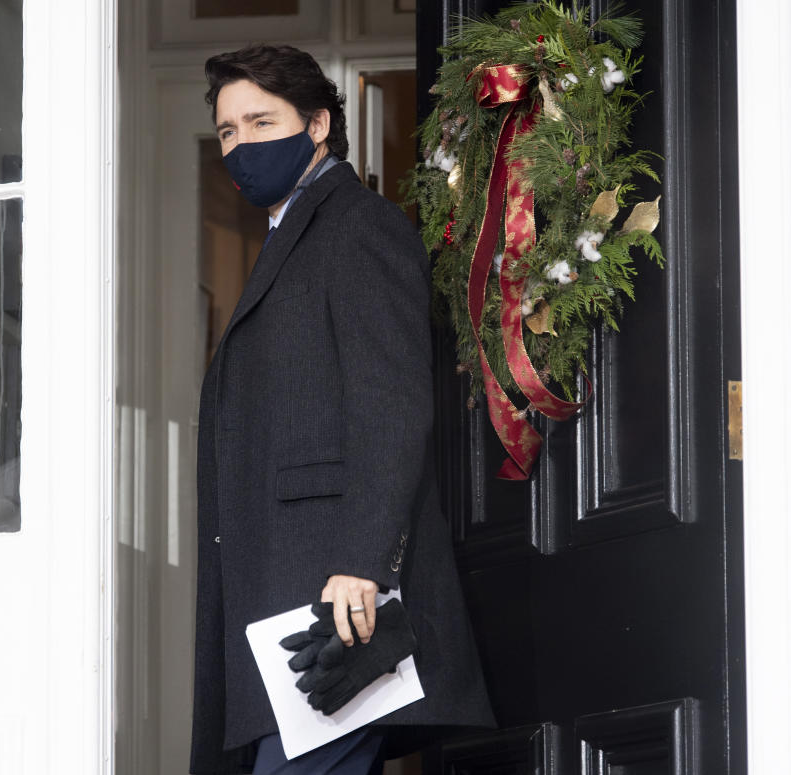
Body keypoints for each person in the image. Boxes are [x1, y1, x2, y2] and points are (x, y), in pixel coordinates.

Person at [192, 44, 495, 775]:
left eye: (261, 122)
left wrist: (361, 561)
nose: (241, 146)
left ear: (319, 124)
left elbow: (393, 406)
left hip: (333, 599)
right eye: (228, 130)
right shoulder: (286, 238)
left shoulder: (359, 226)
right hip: (285, 599)